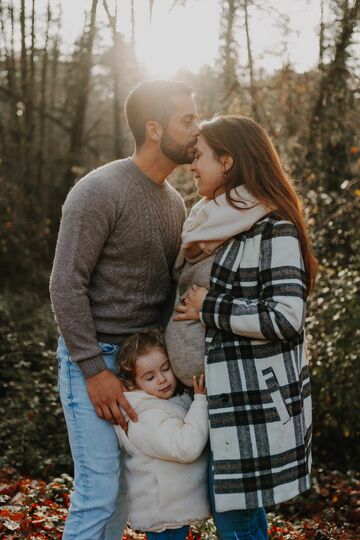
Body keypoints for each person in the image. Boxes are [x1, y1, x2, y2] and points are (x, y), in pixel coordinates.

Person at [49, 80, 199, 540]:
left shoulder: (174, 203)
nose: (199, 129)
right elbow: (65, 283)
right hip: (93, 358)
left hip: (149, 367)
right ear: (154, 129)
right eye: (188, 120)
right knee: (100, 489)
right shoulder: (99, 190)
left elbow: (168, 293)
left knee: (132, 491)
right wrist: (95, 369)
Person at [173, 115, 318, 540]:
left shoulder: (274, 226)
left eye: (199, 156)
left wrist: (209, 308)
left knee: (233, 518)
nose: (192, 165)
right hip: (214, 399)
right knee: (236, 515)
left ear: (228, 161)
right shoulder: (216, 224)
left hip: (249, 401)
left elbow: (285, 317)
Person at [114, 329, 210, 540]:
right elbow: (186, 447)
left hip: (172, 511)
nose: (161, 379)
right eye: (149, 377)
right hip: (163, 516)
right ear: (133, 383)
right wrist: (200, 401)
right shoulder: (143, 417)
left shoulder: (163, 404)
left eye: (166, 368)